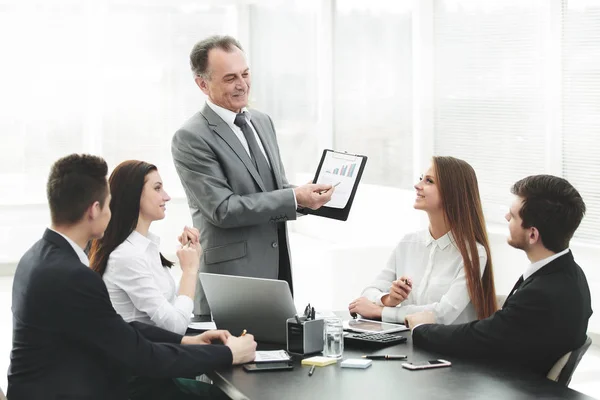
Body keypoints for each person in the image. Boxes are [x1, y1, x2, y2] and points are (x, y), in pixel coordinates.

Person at [7, 154, 256, 400]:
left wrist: (186, 340)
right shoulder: (72, 276)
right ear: (95, 210)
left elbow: (119, 328)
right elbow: (143, 356)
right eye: (108, 203)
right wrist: (229, 354)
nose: (111, 211)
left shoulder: (36, 258)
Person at [172, 35, 334, 317]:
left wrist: (307, 198)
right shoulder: (191, 137)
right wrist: (294, 197)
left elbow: (276, 189)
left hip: (276, 270)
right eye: (230, 77)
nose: (242, 84)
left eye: (245, 74)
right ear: (202, 84)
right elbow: (223, 209)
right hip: (229, 281)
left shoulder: (262, 121)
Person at [406, 175, 593, 377]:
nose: (506, 218)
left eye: (512, 216)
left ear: (532, 235)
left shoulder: (542, 293)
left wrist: (423, 327)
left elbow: (478, 339)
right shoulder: (569, 272)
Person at [349, 156, 497, 325]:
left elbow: (442, 314)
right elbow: (369, 291)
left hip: (446, 349)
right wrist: (388, 299)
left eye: (429, 181)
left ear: (452, 192)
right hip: (404, 343)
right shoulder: (408, 243)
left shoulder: (474, 253)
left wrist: (381, 312)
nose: (417, 185)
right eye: (421, 179)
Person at [89, 160, 200, 335]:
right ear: (133, 195)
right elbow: (175, 326)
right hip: (145, 356)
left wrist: (190, 258)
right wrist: (189, 270)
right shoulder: (126, 256)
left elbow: (172, 308)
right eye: (157, 188)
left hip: (159, 348)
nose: (167, 196)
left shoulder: (145, 247)